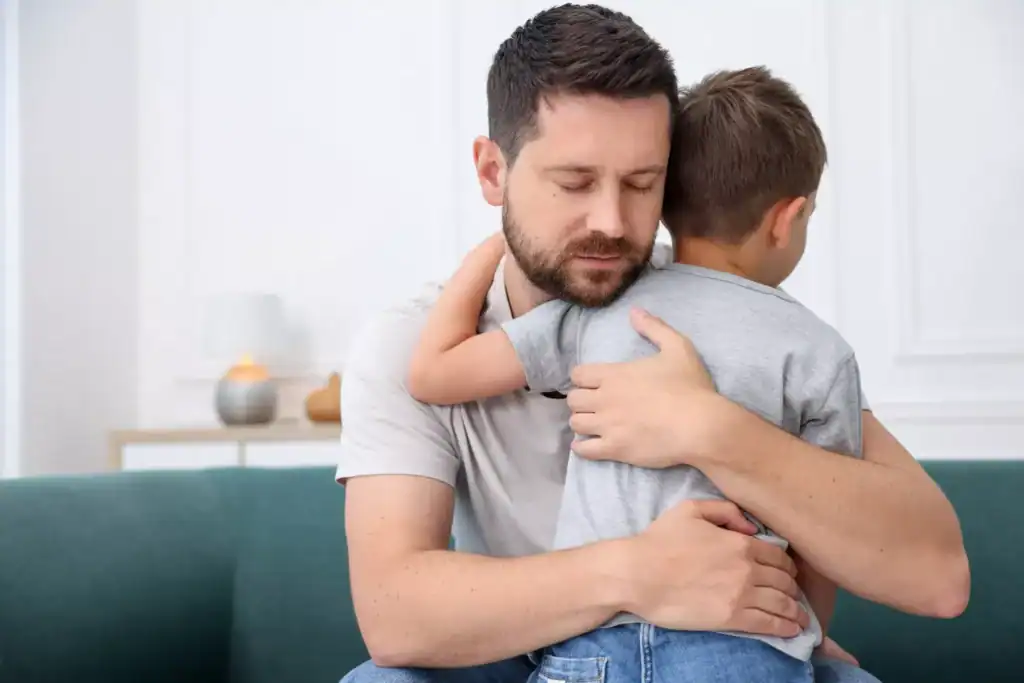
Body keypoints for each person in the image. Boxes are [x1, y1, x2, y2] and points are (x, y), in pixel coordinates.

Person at [336, 5, 969, 683]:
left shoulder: (719, 319)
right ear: (494, 172)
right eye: (575, 182)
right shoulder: (407, 342)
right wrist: (638, 573)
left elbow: (937, 578)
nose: (611, 222)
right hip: (520, 651)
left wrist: (708, 428)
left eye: (643, 184)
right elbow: (395, 615)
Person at [408, 66, 864, 682]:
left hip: (590, 647)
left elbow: (434, 374)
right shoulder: (820, 353)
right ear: (789, 218)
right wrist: (808, 630)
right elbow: (825, 534)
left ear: (665, 199)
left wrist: (493, 249)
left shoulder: (602, 312)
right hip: (740, 650)